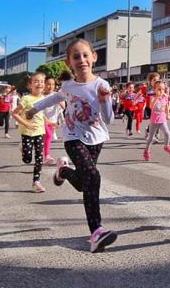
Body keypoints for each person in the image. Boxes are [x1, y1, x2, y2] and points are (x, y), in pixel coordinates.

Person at [25, 39, 116, 253]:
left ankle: (63, 171)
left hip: (96, 138)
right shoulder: (68, 86)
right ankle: (96, 232)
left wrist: (104, 101)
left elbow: (109, 119)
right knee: (93, 177)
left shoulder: (102, 85)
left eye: (85, 55)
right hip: (73, 138)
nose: (81, 60)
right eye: (76, 57)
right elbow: (53, 98)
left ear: (94, 56)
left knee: (85, 183)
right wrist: (34, 108)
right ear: (69, 62)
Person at [13, 73, 47, 193]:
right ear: (30, 85)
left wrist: (49, 122)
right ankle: (22, 148)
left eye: (42, 81)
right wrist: (26, 124)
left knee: (39, 158)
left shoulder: (44, 99)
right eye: (36, 81)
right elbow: (15, 114)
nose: (39, 84)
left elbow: (41, 115)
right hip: (27, 132)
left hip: (40, 132)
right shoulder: (26, 99)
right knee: (27, 159)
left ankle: (36, 182)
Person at [144, 80, 170, 160]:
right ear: (154, 90)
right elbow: (151, 106)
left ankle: (166, 146)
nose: (161, 91)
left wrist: (168, 114)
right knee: (150, 138)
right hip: (154, 121)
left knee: (167, 133)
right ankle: (147, 151)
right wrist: (157, 98)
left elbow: (167, 107)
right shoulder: (153, 98)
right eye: (159, 89)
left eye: (163, 89)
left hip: (162, 120)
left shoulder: (165, 98)